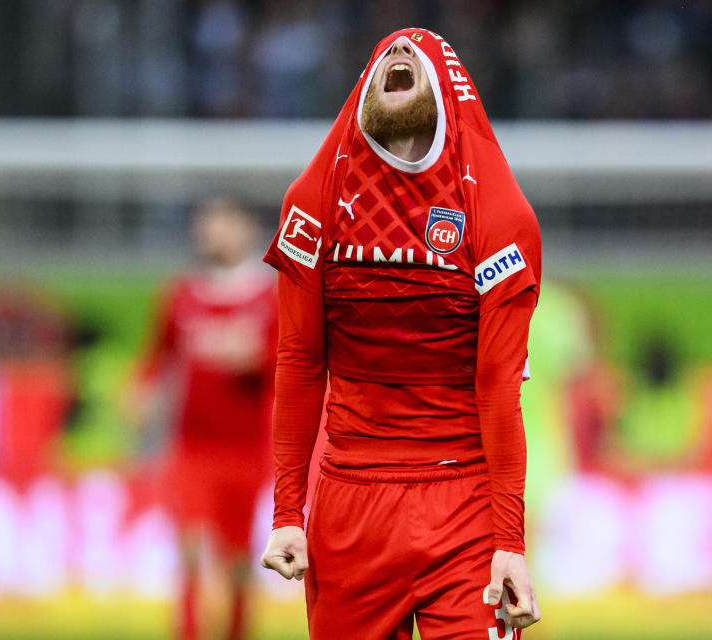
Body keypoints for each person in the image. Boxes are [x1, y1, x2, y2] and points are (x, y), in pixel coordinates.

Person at [259, 29, 542, 639]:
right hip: (349, 507)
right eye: (386, 51)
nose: (397, 53)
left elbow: (498, 387)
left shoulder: (499, 216)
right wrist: (288, 514)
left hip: (463, 504)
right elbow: (300, 362)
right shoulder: (314, 201)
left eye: (414, 53)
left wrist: (509, 542)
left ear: (447, 90)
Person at [132, 198, 278, 640]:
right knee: (191, 546)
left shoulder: (271, 296)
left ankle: (236, 630)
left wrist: (254, 358)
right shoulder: (180, 294)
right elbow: (157, 356)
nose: (210, 233)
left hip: (246, 448)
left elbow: (294, 362)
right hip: (191, 447)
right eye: (205, 225)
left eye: (221, 224)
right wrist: (142, 389)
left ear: (246, 230)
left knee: (236, 559)